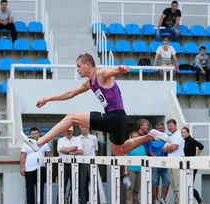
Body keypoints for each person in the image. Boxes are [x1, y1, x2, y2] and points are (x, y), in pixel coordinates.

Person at [20, 53, 170, 156]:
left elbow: (111, 71)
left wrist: (121, 69)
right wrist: (47, 98)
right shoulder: (90, 83)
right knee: (120, 151)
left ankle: (39, 142)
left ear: (87, 64)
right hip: (118, 120)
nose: (77, 69)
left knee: (71, 117)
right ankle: (150, 137)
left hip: (115, 117)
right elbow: (70, 93)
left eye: (79, 66)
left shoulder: (100, 74)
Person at [20, 127, 51, 204]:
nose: (34, 135)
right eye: (32, 134)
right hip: (29, 168)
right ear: (30, 134)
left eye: (36, 133)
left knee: (40, 188)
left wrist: (46, 166)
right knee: (29, 189)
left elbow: (48, 154)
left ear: (38, 133)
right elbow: (23, 156)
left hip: (40, 168)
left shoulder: (44, 142)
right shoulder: (26, 143)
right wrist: (22, 167)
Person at [181, 127, 205, 204]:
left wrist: (195, 156)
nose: (183, 134)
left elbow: (201, 146)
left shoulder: (191, 140)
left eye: (184, 132)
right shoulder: (185, 141)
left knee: (189, 185)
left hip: (192, 166)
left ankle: (201, 203)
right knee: (187, 185)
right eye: (182, 132)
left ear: (188, 133)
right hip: (188, 165)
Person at [124, 131, 147, 204]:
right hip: (131, 169)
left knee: (137, 188)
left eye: (136, 136)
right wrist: (126, 170)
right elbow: (125, 159)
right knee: (130, 188)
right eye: (133, 136)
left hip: (140, 169)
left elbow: (145, 158)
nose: (135, 137)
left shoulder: (142, 147)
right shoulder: (128, 146)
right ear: (131, 137)